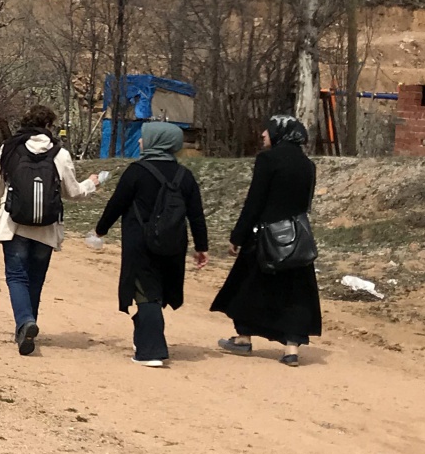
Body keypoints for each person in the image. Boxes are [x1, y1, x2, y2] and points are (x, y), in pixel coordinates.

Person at [0, 105, 101, 357]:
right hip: (47, 227)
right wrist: (92, 183)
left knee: (16, 276)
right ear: (49, 126)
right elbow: (73, 192)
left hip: (15, 225)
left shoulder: (9, 149)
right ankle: (26, 323)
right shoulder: (60, 153)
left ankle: (25, 322)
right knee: (36, 278)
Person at [93, 122, 209, 367]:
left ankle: (151, 351)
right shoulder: (184, 176)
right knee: (155, 292)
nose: (139, 141)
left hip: (140, 243)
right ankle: (143, 335)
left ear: (156, 141)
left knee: (147, 295)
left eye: (143, 137)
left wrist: (100, 230)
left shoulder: (136, 171)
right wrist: (201, 247)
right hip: (173, 244)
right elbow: (196, 215)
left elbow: (117, 204)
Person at [211, 115, 322, 367]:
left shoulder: (268, 160)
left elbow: (255, 201)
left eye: (268, 130)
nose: (263, 134)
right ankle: (291, 349)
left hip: (264, 236)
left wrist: (237, 235)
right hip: (296, 238)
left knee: (249, 285)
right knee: (295, 293)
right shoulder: (308, 165)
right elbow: (305, 204)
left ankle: (243, 338)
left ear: (279, 133)